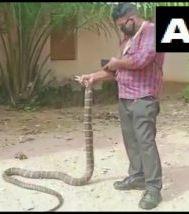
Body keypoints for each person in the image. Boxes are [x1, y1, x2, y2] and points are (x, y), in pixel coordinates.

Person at [76, 3, 165, 210]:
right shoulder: (127, 38)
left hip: (144, 98)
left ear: (132, 19)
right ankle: (137, 176)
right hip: (125, 97)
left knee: (145, 142)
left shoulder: (152, 32)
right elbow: (117, 69)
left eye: (122, 25)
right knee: (131, 141)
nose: (121, 29)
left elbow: (140, 60)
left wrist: (117, 62)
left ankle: (153, 189)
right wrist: (94, 76)